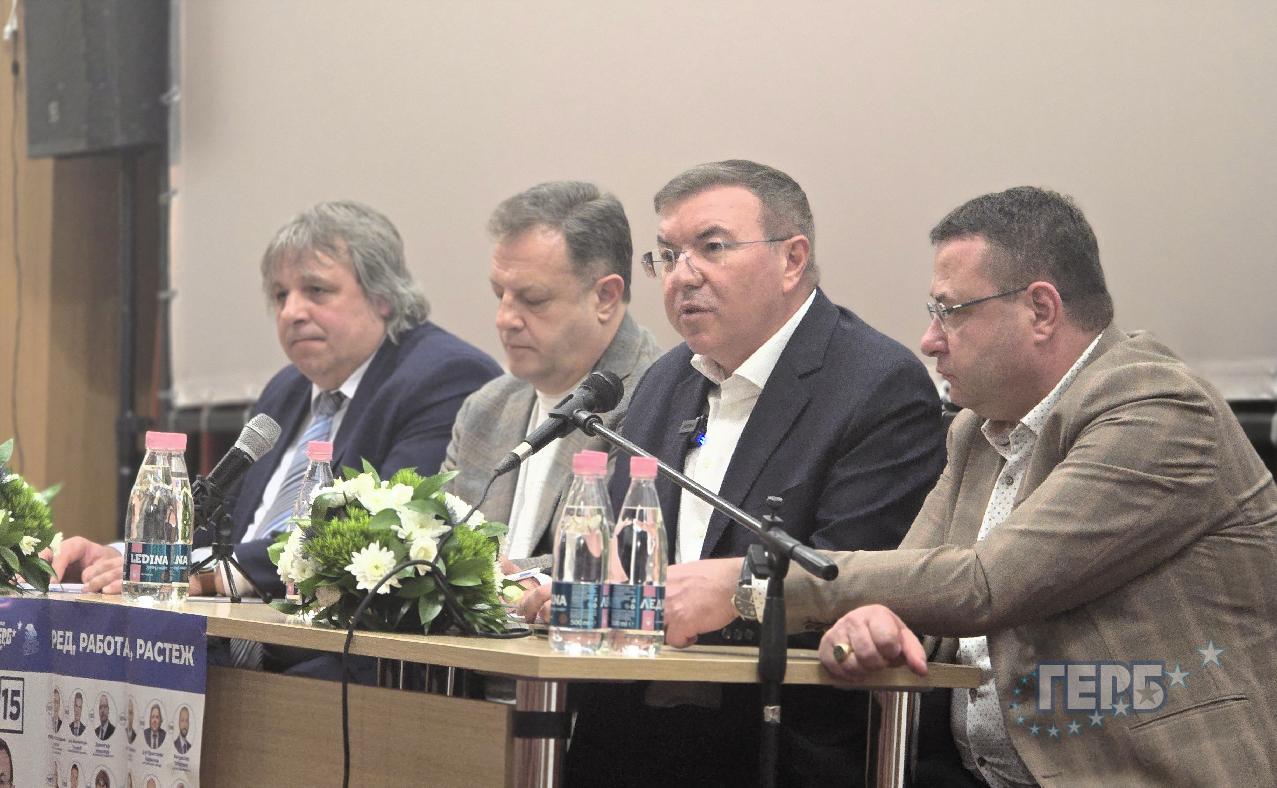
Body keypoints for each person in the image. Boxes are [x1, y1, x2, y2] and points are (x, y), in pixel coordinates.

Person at [664, 186, 1277, 785]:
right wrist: (868, 622)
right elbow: (910, 582)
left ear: (1041, 310)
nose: (929, 340)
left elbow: (988, 582)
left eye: (950, 311)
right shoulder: (976, 431)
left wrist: (757, 585)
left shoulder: (1158, 408)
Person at [529, 160, 946, 786]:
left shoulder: (877, 386)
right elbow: (618, 548)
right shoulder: (665, 380)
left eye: (712, 247)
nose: (683, 274)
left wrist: (710, 599)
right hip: (626, 738)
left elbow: (854, 579)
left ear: (792, 259)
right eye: (668, 256)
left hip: (775, 744)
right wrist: (560, 584)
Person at [50, 200, 502, 599]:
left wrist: (212, 575)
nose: (291, 312)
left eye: (316, 290)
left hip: (331, 645)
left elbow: (378, 533)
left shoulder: (441, 378)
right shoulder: (287, 388)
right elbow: (221, 524)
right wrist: (124, 558)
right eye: (281, 295)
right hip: (236, 625)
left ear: (383, 296)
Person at [442, 181, 661, 562]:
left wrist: (483, 580)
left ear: (605, 297)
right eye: (499, 295)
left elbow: (608, 560)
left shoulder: (654, 399)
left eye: (533, 299)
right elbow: (436, 541)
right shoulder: (485, 408)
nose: (504, 319)